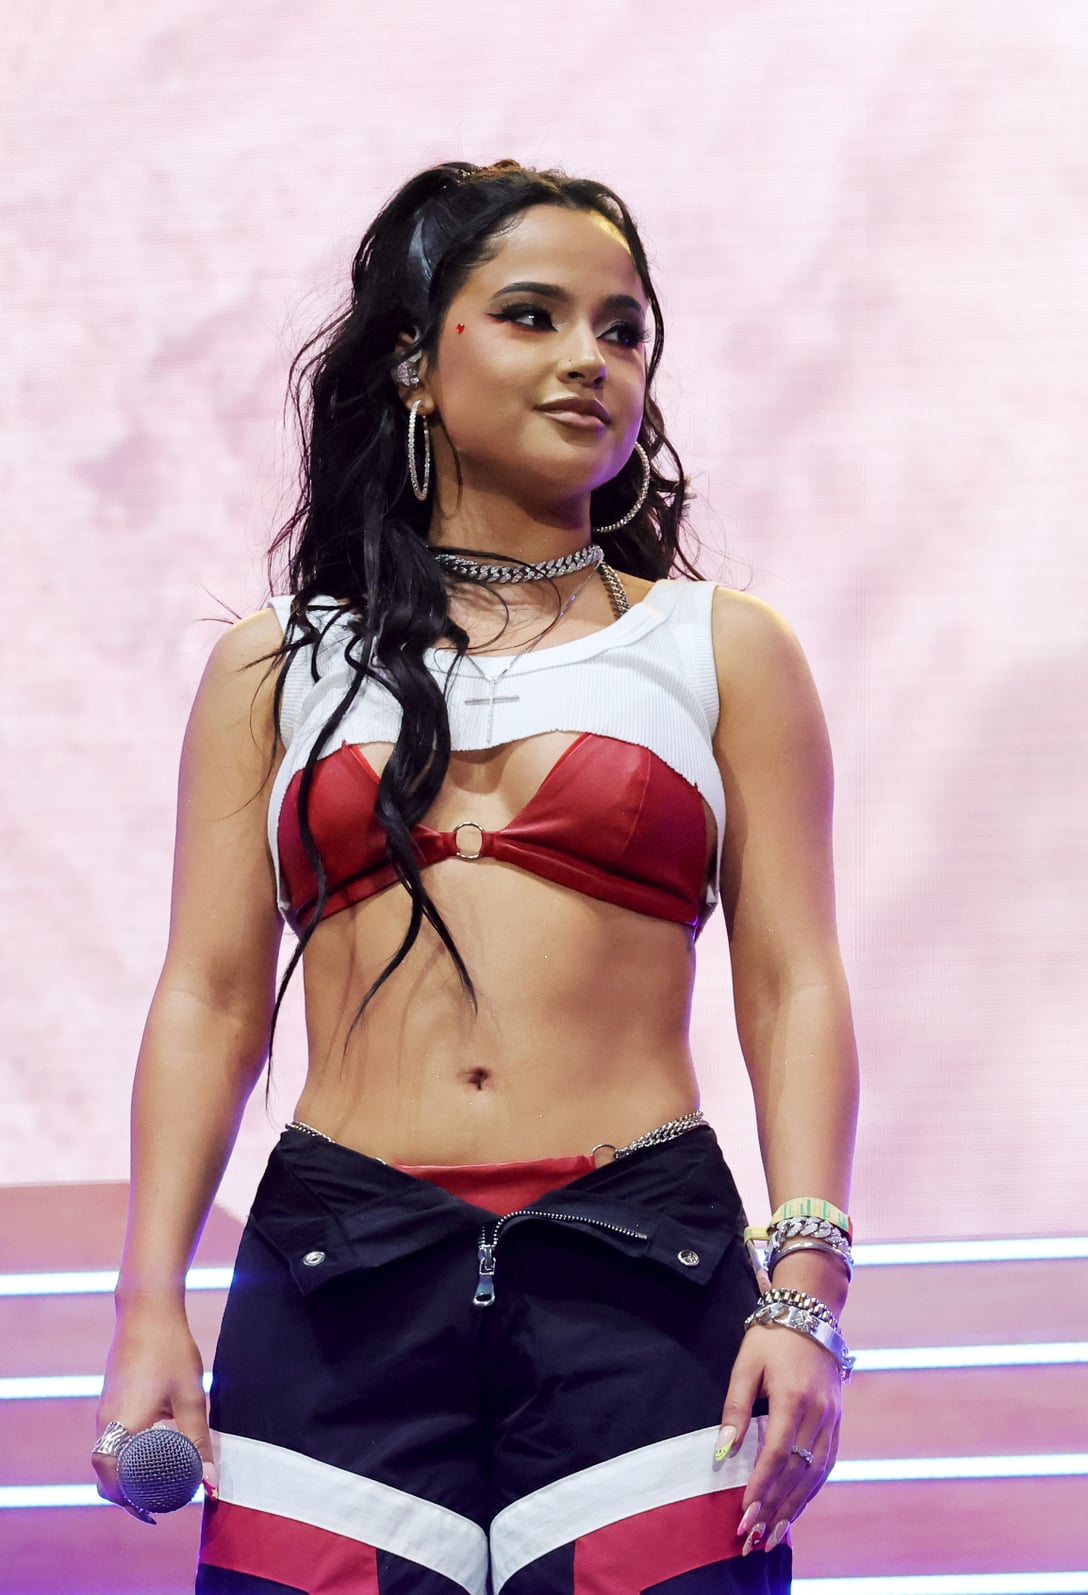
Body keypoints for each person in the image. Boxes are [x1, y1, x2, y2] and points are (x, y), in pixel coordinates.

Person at [89, 159, 859, 1594]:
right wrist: (150, 1304)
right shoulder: (274, 665)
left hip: (646, 1270)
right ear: (417, 362)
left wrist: (807, 1282)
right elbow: (206, 996)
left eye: (622, 330)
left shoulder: (725, 647)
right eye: (531, 315)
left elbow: (794, 977)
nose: (591, 361)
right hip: (339, 1274)